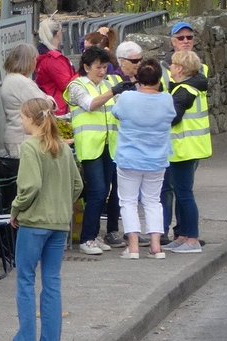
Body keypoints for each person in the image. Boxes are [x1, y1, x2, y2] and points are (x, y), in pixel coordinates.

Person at [1, 99, 83, 341]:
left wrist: (16, 209)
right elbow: (77, 185)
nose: (21, 121)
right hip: (59, 224)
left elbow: (30, 186)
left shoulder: (30, 147)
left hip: (35, 222)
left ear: (31, 119)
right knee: (52, 283)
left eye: (22, 116)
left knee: (25, 281)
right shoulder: (63, 148)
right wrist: (61, 204)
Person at [111, 59, 176, 260]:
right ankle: (156, 246)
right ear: (159, 79)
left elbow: (116, 113)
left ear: (138, 78)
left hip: (129, 157)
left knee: (128, 201)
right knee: (153, 201)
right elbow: (172, 117)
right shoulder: (167, 99)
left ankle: (133, 247)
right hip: (157, 158)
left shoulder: (127, 98)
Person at [66, 47, 121, 256]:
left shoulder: (108, 84)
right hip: (89, 146)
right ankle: (87, 238)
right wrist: (113, 92)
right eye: (98, 67)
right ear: (86, 67)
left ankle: (94, 234)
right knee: (97, 190)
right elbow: (90, 105)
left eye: (105, 67)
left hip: (109, 144)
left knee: (104, 191)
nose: (102, 71)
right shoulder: (76, 86)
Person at [165, 50, 211, 253]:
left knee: (184, 194)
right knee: (182, 193)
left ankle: (192, 239)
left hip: (184, 148)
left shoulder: (184, 90)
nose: (170, 68)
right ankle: (184, 236)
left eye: (173, 65)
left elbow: (173, 117)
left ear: (181, 69)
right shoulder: (192, 87)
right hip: (190, 147)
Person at [0, 43, 49, 204]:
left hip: (15, 135)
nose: (36, 63)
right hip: (22, 137)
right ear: (28, 60)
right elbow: (43, 104)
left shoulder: (10, 79)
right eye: (34, 59)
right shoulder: (21, 82)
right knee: (29, 179)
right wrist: (51, 101)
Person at [35, 17, 75, 114]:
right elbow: (67, 86)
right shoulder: (53, 60)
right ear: (58, 33)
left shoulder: (43, 56)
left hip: (54, 105)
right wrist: (82, 74)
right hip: (61, 107)